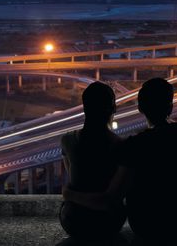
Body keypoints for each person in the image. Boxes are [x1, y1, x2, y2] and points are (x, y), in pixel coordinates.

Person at [63, 75, 177, 242]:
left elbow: (110, 200)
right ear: (171, 108)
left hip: (146, 227)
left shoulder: (133, 146)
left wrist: (70, 194)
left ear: (140, 108)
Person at [58, 81, 127, 243]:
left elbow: (76, 179)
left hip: (73, 221)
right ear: (113, 108)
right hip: (109, 222)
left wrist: (70, 195)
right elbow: (108, 201)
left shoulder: (67, 140)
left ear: (84, 108)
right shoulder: (120, 145)